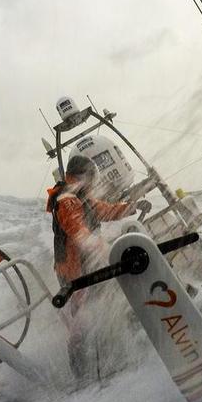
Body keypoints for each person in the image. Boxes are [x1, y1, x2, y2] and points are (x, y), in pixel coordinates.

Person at [45, 154, 138, 378]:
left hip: (90, 269)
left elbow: (106, 210)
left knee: (103, 311)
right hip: (75, 276)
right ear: (82, 176)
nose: (94, 182)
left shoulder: (81, 196)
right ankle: (86, 374)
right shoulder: (66, 201)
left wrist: (131, 207)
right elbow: (80, 234)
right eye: (92, 176)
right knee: (83, 323)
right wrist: (106, 250)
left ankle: (113, 359)